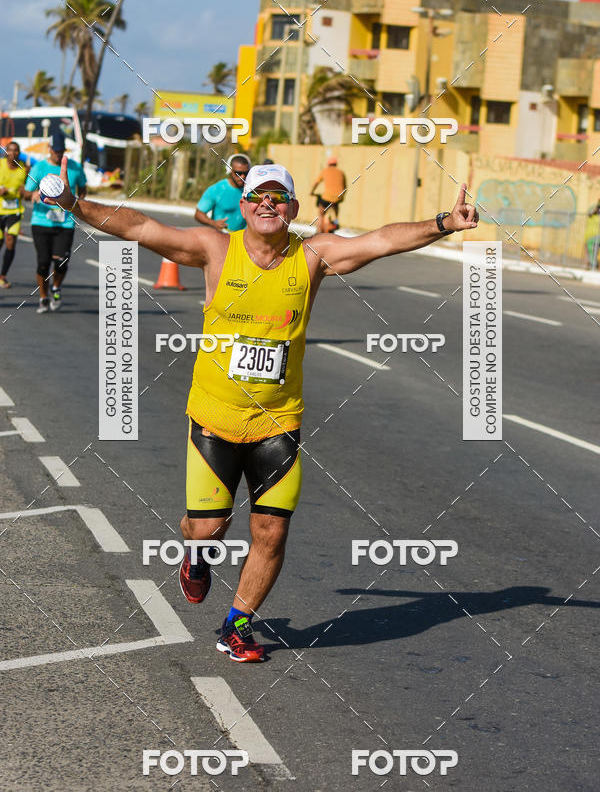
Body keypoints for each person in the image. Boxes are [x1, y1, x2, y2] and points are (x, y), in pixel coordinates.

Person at [50, 158, 479, 662]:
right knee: (207, 530)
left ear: (293, 208)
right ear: (244, 204)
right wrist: (73, 204)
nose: (267, 203)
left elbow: (380, 241)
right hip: (215, 417)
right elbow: (141, 228)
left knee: (271, 531)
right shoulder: (216, 249)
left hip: (278, 422)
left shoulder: (312, 256)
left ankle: (237, 625)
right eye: (258, 195)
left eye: (278, 196)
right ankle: (195, 553)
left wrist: (443, 223)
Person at [24, 132, 87, 313]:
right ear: (49, 149)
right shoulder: (39, 168)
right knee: (43, 263)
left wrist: (78, 203)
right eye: (55, 150)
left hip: (65, 223)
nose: (58, 154)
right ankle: (43, 297)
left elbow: (83, 189)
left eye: (61, 151)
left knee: (61, 262)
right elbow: (26, 192)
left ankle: (56, 287)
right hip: (41, 222)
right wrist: (32, 195)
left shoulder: (75, 168)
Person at [194, 154, 251, 232]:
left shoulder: (251, 190)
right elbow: (198, 214)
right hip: (220, 236)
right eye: (238, 173)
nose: (243, 177)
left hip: (243, 237)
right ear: (229, 171)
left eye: (246, 173)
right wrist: (213, 223)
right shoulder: (216, 189)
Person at [0, 141, 27, 288]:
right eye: (10, 150)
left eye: (16, 150)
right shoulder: (0, 165)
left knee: (10, 241)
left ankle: (3, 276)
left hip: (14, 211)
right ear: (6, 152)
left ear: (19, 152)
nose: (13, 153)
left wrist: (25, 192)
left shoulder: (24, 168)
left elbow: (28, 189)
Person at [310, 155, 347, 233]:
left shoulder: (324, 171)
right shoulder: (341, 172)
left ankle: (319, 232)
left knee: (321, 213)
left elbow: (316, 183)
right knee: (335, 207)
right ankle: (336, 221)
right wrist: (341, 197)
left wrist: (312, 192)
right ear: (336, 164)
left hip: (327, 197)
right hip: (338, 197)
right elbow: (345, 187)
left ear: (328, 164)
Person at [584, 202, 600, 269]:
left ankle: (593, 264)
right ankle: (591, 264)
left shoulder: (595, 217)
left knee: (593, 252)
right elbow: (590, 212)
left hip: (595, 236)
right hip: (589, 236)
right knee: (590, 252)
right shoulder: (592, 216)